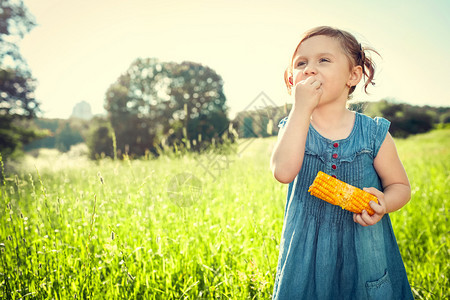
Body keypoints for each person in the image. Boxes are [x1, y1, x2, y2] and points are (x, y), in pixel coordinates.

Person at [270, 26, 414, 299]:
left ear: (353, 75)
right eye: (301, 63)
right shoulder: (292, 127)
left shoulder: (373, 134)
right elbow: (283, 172)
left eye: (323, 60)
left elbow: (400, 186)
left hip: (364, 250)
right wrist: (300, 109)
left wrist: (384, 202)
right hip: (306, 255)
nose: (310, 69)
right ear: (292, 82)